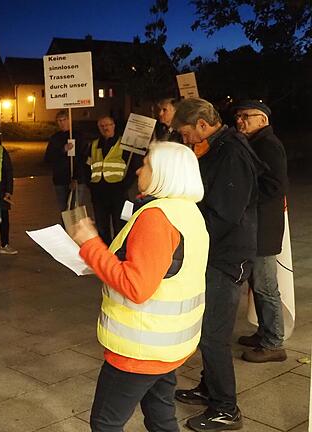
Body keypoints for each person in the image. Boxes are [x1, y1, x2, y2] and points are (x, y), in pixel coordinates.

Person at [69, 141, 208, 432]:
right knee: (160, 416)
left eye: (145, 164)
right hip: (168, 345)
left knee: (105, 423)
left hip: (140, 348)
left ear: (162, 173)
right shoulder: (188, 212)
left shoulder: (156, 218)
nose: (137, 168)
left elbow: (136, 286)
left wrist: (91, 245)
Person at [172, 97, 262, 432]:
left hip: (229, 256)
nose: (185, 140)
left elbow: (224, 213)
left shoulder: (232, 152)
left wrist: (188, 234)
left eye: (185, 133)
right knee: (206, 328)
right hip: (215, 252)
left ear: (201, 124)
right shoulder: (217, 147)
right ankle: (209, 389)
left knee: (213, 334)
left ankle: (226, 408)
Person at [233, 100, 289, 363]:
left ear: (262, 120)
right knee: (258, 284)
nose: (240, 120)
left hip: (263, 228)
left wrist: (245, 197)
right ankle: (264, 332)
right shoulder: (255, 143)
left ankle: (274, 342)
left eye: (246, 116)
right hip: (257, 226)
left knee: (266, 286)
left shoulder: (268, 145)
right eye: (238, 116)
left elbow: (276, 185)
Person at [88, 115, 140, 244]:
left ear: (114, 126)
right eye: (102, 126)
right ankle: (106, 253)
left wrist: (125, 185)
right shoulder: (94, 145)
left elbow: (133, 166)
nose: (105, 128)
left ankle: (119, 251)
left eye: (108, 125)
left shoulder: (124, 143)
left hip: (118, 191)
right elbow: (87, 165)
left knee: (120, 224)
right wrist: (90, 185)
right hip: (99, 192)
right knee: (102, 226)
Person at [44, 110, 90, 220]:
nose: (62, 123)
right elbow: (48, 158)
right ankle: (66, 231)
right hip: (60, 179)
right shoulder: (55, 138)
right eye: (59, 121)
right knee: (64, 211)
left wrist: (76, 178)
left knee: (75, 210)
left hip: (76, 179)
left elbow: (82, 158)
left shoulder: (79, 136)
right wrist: (63, 149)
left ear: (69, 120)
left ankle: (77, 234)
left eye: (64, 120)